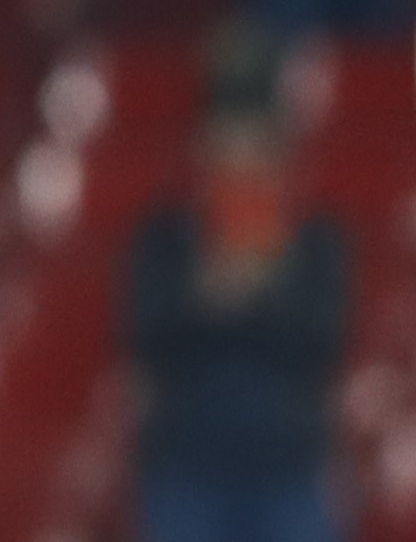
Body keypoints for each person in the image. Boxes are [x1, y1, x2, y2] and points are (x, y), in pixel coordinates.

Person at [129, 108, 348, 542]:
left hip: (291, 464)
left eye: (256, 163)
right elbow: (145, 333)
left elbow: (325, 337)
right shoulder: (164, 239)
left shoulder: (317, 241)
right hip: (185, 467)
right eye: (228, 163)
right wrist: (213, 293)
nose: (242, 178)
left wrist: (255, 294)